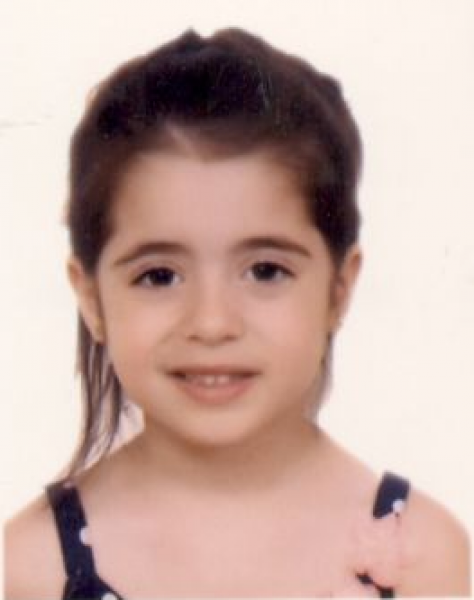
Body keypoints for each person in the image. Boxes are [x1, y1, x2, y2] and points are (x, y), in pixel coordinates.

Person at [4, 27, 470, 598]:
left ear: (339, 289)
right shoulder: (30, 566)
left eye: (266, 271)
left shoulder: (424, 555)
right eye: (159, 276)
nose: (212, 323)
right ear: (92, 299)